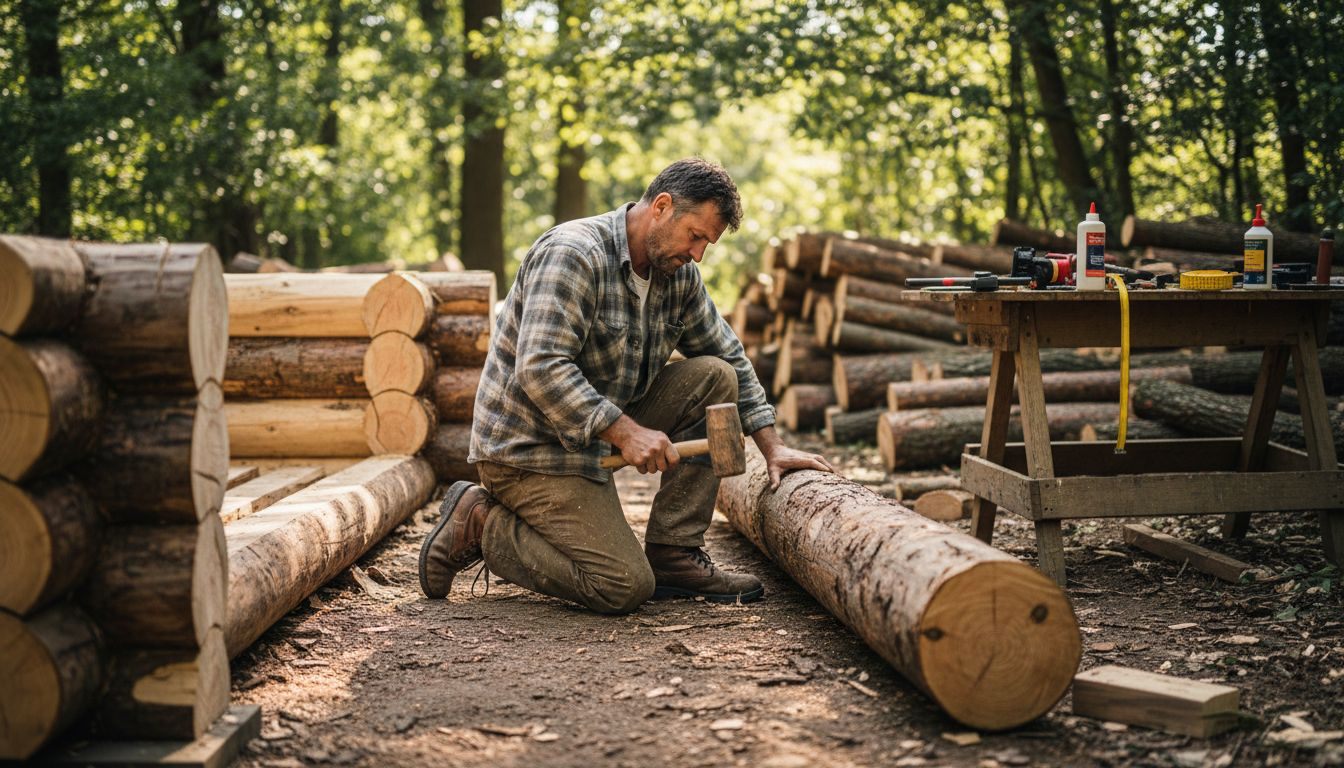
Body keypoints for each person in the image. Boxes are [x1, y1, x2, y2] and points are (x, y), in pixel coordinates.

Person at [419, 158, 835, 613]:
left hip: (592, 437)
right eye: (695, 236)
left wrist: (772, 446)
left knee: (716, 376)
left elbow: (730, 355)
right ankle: (480, 523)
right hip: (529, 451)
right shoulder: (574, 253)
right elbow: (540, 368)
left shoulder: (677, 275)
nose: (698, 254)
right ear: (661, 206)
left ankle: (674, 554)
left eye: (707, 245)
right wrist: (626, 432)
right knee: (622, 586)